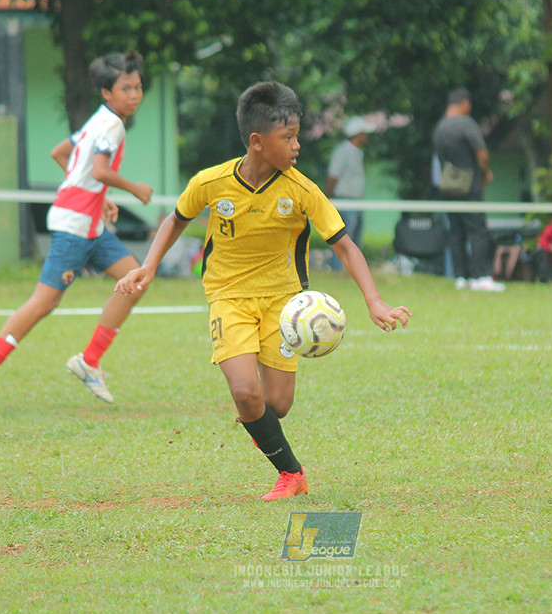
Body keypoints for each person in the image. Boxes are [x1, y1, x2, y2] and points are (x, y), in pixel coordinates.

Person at [114, 82, 410, 501]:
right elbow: (177, 219)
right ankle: (291, 473)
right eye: (287, 138)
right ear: (257, 142)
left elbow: (344, 244)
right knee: (245, 392)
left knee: (278, 404)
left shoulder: (302, 190)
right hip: (228, 298)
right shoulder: (211, 182)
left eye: (296, 136)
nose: (297, 146)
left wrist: (374, 300)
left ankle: (260, 426)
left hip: (284, 305)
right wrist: (149, 263)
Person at [0, 51, 154, 414]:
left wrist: (102, 198)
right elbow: (97, 171)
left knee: (135, 279)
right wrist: (132, 189)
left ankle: (89, 360)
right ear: (106, 93)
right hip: (74, 228)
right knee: (44, 302)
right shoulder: (111, 125)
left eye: (138, 87)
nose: (134, 94)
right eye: (125, 88)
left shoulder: (99, 120)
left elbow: (60, 153)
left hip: (90, 224)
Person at [432, 87, 504, 292]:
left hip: (447, 186)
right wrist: (486, 173)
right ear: (464, 103)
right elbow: (481, 152)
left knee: (456, 232)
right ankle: (480, 276)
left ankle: (461, 277)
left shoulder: (440, 129)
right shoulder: (467, 124)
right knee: (478, 230)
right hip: (469, 186)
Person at [326, 116, 376, 271]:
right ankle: (338, 270)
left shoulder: (357, 153)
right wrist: (329, 199)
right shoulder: (343, 151)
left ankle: (352, 271)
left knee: (355, 239)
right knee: (342, 239)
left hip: (356, 202)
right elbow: (333, 176)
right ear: (358, 134)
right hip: (345, 201)